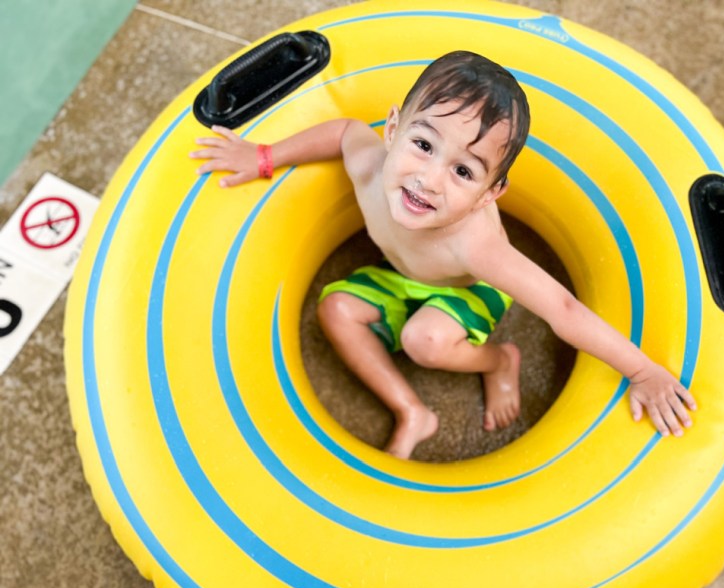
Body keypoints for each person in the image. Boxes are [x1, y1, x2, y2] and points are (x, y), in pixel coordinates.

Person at [190, 51, 697, 460]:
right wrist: (263, 156)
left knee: (425, 340)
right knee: (334, 309)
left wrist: (643, 371)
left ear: (490, 194)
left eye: (464, 172)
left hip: (470, 290)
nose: (428, 179)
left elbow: (562, 308)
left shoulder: (478, 246)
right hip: (405, 274)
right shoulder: (370, 162)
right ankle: (412, 410)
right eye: (423, 144)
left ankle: (500, 360)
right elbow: (344, 130)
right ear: (392, 130)